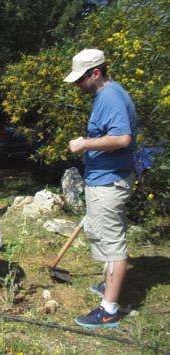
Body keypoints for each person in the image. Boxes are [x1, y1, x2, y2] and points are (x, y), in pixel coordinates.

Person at [65, 49, 137, 328]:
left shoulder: (110, 96)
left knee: (113, 242)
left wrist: (84, 143)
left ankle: (108, 309)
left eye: (79, 80)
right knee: (104, 234)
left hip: (109, 180)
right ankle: (108, 285)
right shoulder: (108, 93)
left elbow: (122, 138)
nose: (76, 86)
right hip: (104, 178)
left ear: (95, 73)